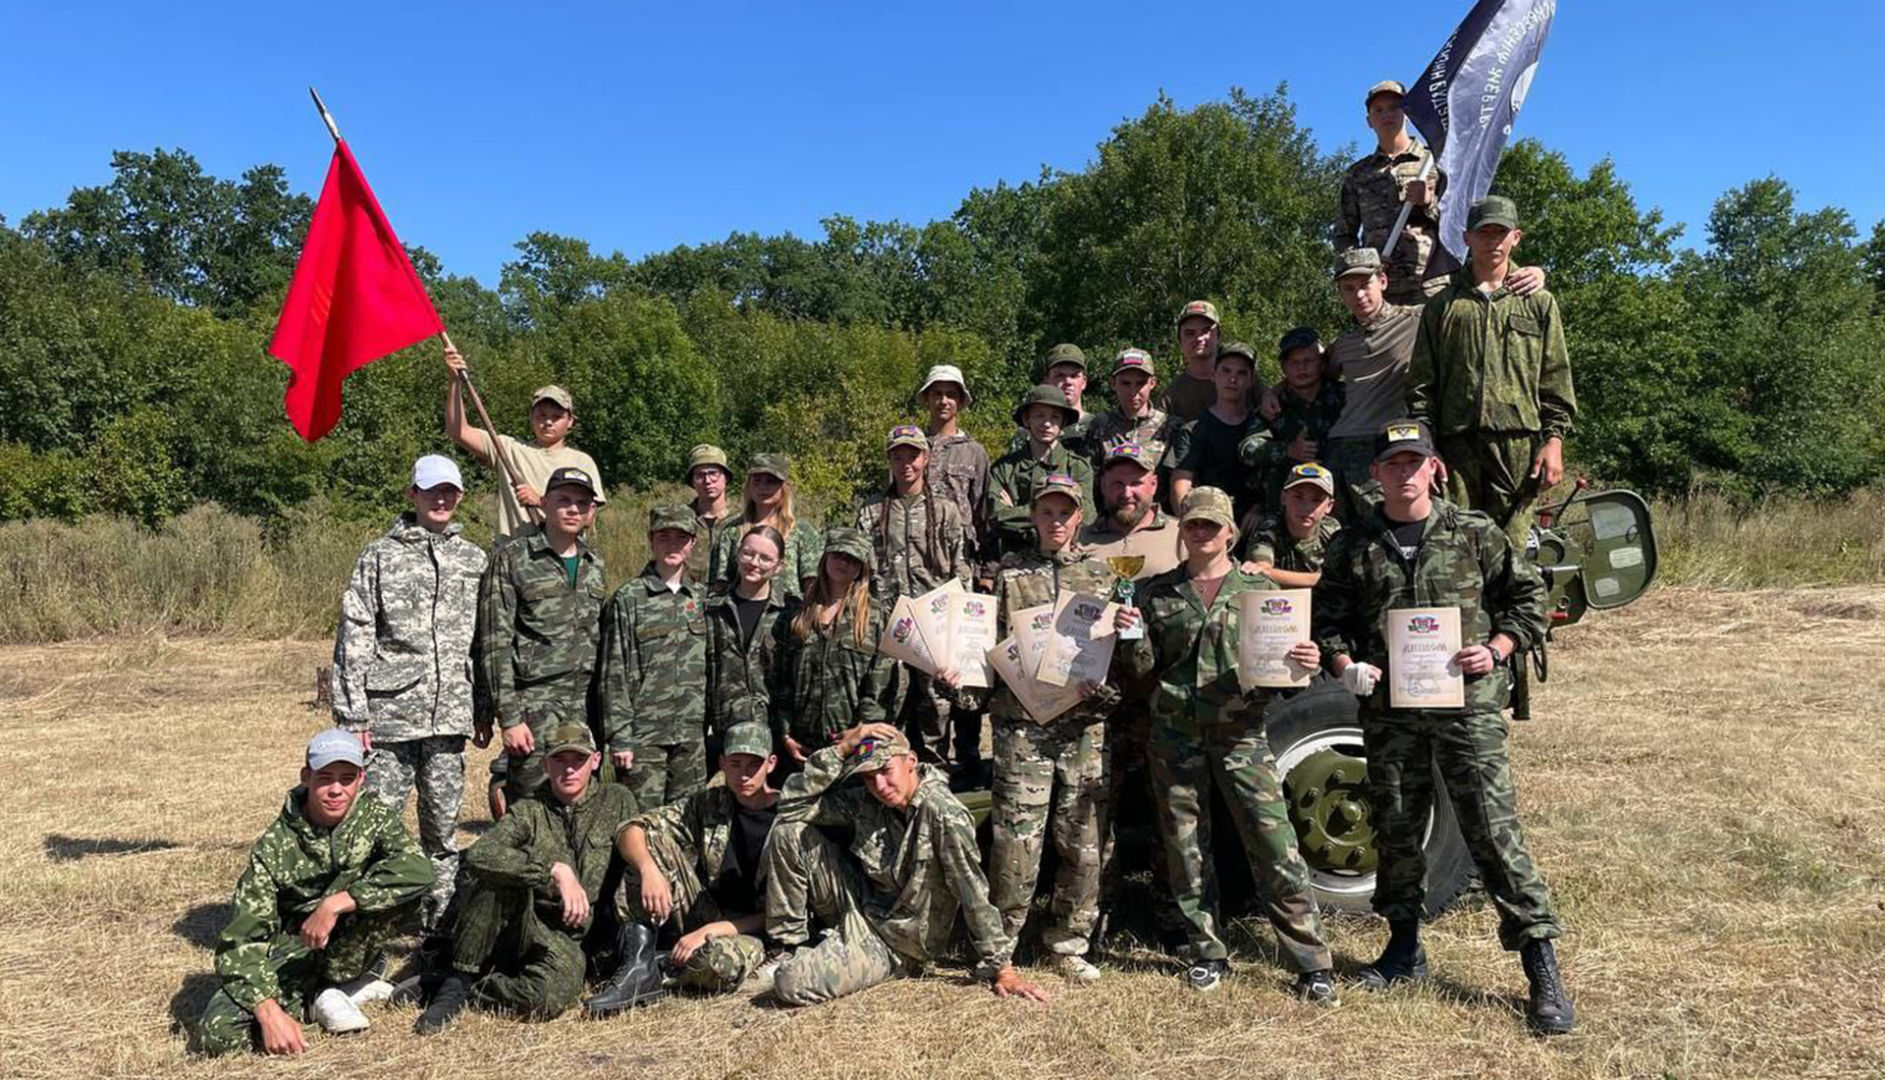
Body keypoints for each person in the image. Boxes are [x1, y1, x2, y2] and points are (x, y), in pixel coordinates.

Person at [1311, 418, 1571, 1035]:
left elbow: (1529, 598)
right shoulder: (1353, 545)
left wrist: (1500, 648)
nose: (1403, 472)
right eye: (1392, 464)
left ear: (1435, 468)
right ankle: (1404, 951)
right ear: (1376, 475)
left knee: (1490, 828)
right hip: (1390, 712)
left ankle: (1541, 966)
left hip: (1466, 708)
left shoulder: (1474, 533)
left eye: (1414, 461)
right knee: (1397, 829)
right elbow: (1328, 621)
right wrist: (1345, 664)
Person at [1118, 488, 1336, 1001]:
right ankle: (1205, 950)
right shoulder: (1156, 593)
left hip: (1241, 733)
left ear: (1230, 533)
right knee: (1186, 847)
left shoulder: (1259, 594)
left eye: (1213, 526)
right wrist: (1132, 639)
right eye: (1194, 524)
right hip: (1174, 733)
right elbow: (1143, 673)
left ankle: (1310, 959)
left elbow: (1279, 675)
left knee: (1273, 842)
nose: (1202, 534)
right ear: (1182, 531)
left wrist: (1302, 664)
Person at [763, 724, 1051, 1005]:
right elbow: (791, 807)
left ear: (911, 761)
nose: (879, 785)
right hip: (861, 907)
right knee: (788, 832)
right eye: (868, 777)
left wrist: (1003, 968)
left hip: (894, 942)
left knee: (789, 983)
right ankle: (789, 946)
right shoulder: (869, 801)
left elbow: (971, 889)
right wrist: (841, 750)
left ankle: (837, 956)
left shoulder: (942, 814)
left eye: (886, 771)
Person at [196, 730, 433, 1056]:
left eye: (347, 779)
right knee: (217, 1035)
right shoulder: (274, 847)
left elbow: (418, 869)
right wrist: (267, 1011)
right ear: (306, 777)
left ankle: (347, 977)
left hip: (350, 936)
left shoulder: (374, 817)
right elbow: (241, 943)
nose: (336, 790)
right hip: (294, 950)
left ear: (361, 779)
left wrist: (336, 904)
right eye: (325, 778)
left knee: (406, 891)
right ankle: (321, 998)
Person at [331, 454, 486, 932]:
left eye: (450, 491)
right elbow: (355, 632)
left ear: (459, 496)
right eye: (432, 490)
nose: (442, 499)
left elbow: (485, 641)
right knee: (379, 828)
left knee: (441, 830)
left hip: (450, 716)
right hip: (390, 718)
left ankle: (436, 925)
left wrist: (483, 706)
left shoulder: (475, 559)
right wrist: (353, 716)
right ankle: (374, 923)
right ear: (412, 495)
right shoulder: (379, 555)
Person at [413, 723, 640, 1033]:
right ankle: (456, 984)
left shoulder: (616, 800)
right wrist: (553, 870)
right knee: (496, 877)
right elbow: (482, 854)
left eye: (579, 760)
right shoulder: (530, 810)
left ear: (596, 761)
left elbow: (638, 837)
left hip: (567, 939)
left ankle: (465, 985)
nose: (569, 769)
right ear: (545, 763)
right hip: (526, 921)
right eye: (560, 760)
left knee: (545, 1000)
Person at [986, 473, 1119, 982]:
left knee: (1082, 838)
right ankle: (1002, 945)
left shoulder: (1102, 577)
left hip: (1084, 727)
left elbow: (1120, 658)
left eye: (1065, 512)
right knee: (1017, 840)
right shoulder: (1011, 574)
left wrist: (1104, 681)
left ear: (1079, 517)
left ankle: (1068, 942)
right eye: (1047, 512)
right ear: (1034, 516)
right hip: (1024, 726)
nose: (1056, 521)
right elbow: (992, 645)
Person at [1324, 247, 1550, 525]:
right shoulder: (1343, 342)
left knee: (1388, 529)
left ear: (1382, 281)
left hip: (1385, 446)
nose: (1359, 295)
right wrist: (1272, 393)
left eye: (1365, 285)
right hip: (1339, 447)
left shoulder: (1419, 318)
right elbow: (1308, 374)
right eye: (1348, 288)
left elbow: (1473, 299)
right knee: (1333, 535)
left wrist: (1536, 274)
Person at [1407, 195, 1577, 550]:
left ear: (1516, 237)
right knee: (1454, 545)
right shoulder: (1444, 304)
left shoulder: (1538, 302)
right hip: (1455, 445)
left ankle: (1513, 607)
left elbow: (1556, 378)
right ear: (1467, 238)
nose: (1492, 242)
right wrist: (1427, 446)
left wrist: (1554, 442)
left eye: (1501, 233)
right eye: (1484, 233)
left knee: (1513, 550)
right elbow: (1422, 385)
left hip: (1518, 444)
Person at [585, 721, 783, 1013]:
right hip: (705, 909)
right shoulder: (710, 803)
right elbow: (632, 828)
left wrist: (709, 931)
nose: (744, 774)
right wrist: (649, 870)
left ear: (771, 763)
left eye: (754, 764)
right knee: (646, 844)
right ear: (722, 764)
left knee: (719, 963)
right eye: (736, 763)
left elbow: (783, 913)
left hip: (756, 929)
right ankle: (638, 965)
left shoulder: (788, 816)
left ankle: (661, 966)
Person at [1077, 441, 1184, 938]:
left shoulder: (1181, 537)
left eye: (1136, 480)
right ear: (1103, 486)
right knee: (1099, 807)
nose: (1126, 491)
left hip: (1163, 694)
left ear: (1154, 485)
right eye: (1116, 481)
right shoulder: (1083, 540)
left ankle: (1170, 911)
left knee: (1169, 807)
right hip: (1101, 697)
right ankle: (1100, 910)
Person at [475, 466, 606, 804]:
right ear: (545, 504)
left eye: (581, 503)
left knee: (580, 804)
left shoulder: (595, 565)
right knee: (533, 806)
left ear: (592, 512)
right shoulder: (512, 559)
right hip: (534, 707)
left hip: (584, 705)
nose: (573, 509)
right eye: (563, 500)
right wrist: (509, 717)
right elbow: (494, 643)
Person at [854, 424, 973, 766]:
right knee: (890, 700)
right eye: (898, 456)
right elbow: (862, 572)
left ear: (926, 457)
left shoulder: (946, 510)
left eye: (913, 455)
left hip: (933, 626)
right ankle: (890, 771)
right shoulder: (872, 510)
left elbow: (959, 567)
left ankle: (936, 771)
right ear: (889, 460)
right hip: (889, 626)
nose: (906, 463)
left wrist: (961, 629)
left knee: (936, 704)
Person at [595, 504, 710, 808]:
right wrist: (620, 737)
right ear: (651, 539)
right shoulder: (628, 598)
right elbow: (614, 673)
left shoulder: (703, 599)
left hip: (690, 737)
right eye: (664, 536)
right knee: (641, 823)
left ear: (693, 542)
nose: (672, 545)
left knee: (687, 822)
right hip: (644, 738)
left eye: (680, 538)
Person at [442, 345, 606, 543]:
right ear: (531, 416)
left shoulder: (582, 462)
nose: (548, 422)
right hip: (513, 557)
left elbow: (588, 518)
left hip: (562, 556)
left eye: (557, 416)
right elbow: (457, 431)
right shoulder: (506, 448)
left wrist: (540, 502)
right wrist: (454, 381)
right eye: (542, 415)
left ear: (570, 421)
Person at [917, 363, 995, 777]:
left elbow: (984, 514)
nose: (944, 400)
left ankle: (967, 758)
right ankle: (929, 761)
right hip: (921, 572)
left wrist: (986, 571)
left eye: (951, 393)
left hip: (963, 573)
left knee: (965, 671)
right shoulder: (914, 445)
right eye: (937, 393)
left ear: (961, 401)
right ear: (927, 399)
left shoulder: (975, 452)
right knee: (927, 673)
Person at [769, 527, 898, 768]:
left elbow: (881, 687)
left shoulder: (876, 617)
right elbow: (782, 681)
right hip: (802, 745)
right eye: (838, 555)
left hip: (858, 741)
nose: (843, 563)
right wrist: (785, 734)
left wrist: (861, 732)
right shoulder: (797, 614)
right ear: (825, 558)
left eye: (852, 559)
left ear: (861, 567)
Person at [1334, 80, 1449, 306]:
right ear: (1369, 121)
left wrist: (1428, 203)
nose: (1387, 114)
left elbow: (1459, 225)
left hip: (1429, 284)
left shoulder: (1434, 162)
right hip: (1379, 290)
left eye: (1394, 107)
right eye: (1378, 110)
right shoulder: (1358, 174)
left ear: (1406, 113)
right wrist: (1361, 268)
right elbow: (1343, 235)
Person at [705, 525, 798, 761]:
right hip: (724, 730)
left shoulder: (792, 612)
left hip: (776, 731)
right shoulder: (712, 608)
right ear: (737, 555)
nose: (754, 562)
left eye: (765, 558)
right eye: (748, 553)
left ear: (779, 567)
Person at [988, 385, 1098, 560]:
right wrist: (1058, 516)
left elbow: (1087, 518)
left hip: (1066, 560)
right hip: (1016, 561)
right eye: (1039, 416)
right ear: (1027, 419)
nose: (1046, 424)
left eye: (1054, 417)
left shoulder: (1078, 467)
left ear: (1062, 422)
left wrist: (1018, 512)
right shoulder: (1005, 468)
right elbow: (997, 518)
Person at [1241, 328, 1345, 509]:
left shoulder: (1344, 396)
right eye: (1293, 362)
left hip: (1338, 498)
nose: (1301, 368)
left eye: (1308, 361)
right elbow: (1247, 450)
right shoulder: (1274, 405)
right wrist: (1288, 450)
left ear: (1321, 363)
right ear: (1283, 368)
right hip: (1288, 504)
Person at [1169, 342, 1263, 518]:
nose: (1232, 379)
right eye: (1225, 371)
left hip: (1254, 520)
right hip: (1208, 519)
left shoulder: (1261, 426)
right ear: (1213, 374)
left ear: (1251, 380)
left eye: (1241, 373)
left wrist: (1262, 509)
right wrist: (1189, 523)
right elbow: (1181, 482)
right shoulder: (1194, 430)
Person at [711, 455, 822, 601]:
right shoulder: (731, 529)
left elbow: (811, 585)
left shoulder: (802, 531)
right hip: (739, 615)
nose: (763, 487)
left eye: (771, 482)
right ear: (749, 485)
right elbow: (720, 584)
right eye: (757, 481)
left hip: (787, 617)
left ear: (784, 487)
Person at [1238, 463, 1342, 589]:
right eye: (1298, 497)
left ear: (1329, 506)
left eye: (1316, 500)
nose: (1306, 507)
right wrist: (1318, 579)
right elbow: (1261, 570)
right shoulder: (1270, 528)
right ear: (1283, 498)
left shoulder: (1332, 530)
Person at [1083, 348, 1179, 473]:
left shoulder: (1169, 427)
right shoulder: (1099, 426)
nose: (1133, 392)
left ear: (1152, 383)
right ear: (1113, 383)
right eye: (1125, 383)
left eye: (1140, 383)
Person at [1008, 344, 1096, 458]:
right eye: (1060, 375)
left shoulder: (1098, 429)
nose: (1068, 381)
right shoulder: (1029, 431)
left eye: (1074, 376)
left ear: (1084, 382)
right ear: (1047, 380)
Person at [1160, 300, 1223, 423]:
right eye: (1190, 333)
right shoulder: (1172, 396)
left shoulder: (1241, 378)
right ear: (1180, 340)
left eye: (1206, 331)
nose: (1199, 338)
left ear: (1218, 335)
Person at [683, 444, 735, 583]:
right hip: (687, 599)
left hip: (731, 600)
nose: (707, 481)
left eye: (713, 473)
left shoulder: (742, 519)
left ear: (726, 478)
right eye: (700, 475)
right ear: (692, 481)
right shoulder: (682, 519)